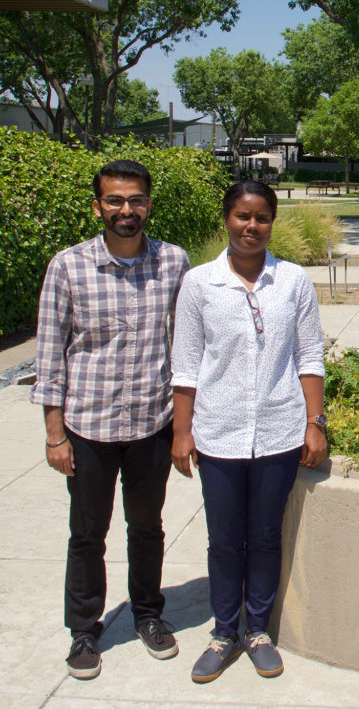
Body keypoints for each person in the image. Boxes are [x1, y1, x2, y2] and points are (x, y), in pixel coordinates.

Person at [31, 159, 189, 679]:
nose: (127, 209)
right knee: (87, 533)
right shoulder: (68, 266)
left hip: (150, 424)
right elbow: (51, 356)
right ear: (98, 205)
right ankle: (84, 629)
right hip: (88, 428)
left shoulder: (173, 263)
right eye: (116, 200)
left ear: (148, 203)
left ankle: (148, 615)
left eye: (136, 199)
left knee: (147, 528)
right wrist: (55, 434)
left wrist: (185, 425)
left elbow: (187, 345)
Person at [170, 181, 326, 683]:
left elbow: (309, 356)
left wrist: (313, 421)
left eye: (261, 217)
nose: (251, 227)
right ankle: (223, 632)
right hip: (219, 432)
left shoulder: (294, 281)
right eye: (241, 216)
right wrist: (182, 431)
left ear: (272, 222)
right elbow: (186, 364)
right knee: (224, 539)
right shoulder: (199, 283)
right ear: (226, 220)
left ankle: (257, 630)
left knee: (263, 538)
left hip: (280, 431)